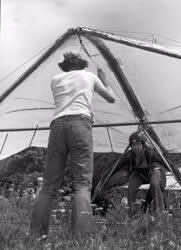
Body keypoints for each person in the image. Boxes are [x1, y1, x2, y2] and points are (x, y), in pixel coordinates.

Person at [30, 51, 115, 237]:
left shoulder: (55, 79)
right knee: (82, 185)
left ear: (64, 65)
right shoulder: (89, 76)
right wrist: (105, 80)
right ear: (82, 64)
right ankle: (80, 238)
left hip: (57, 126)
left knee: (48, 186)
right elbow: (111, 98)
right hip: (80, 124)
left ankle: (36, 237)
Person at [111, 131, 181, 218]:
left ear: (143, 144)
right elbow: (114, 168)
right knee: (131, 186)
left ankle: (160, 214)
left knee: (154, 183)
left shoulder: (151, 153)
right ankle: (132, 215)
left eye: (138, 144)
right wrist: (102, 181)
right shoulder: (129, 156)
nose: (136, 147)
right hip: (139, 174)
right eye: (133, 145)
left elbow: (170, 165)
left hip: (153, 171)